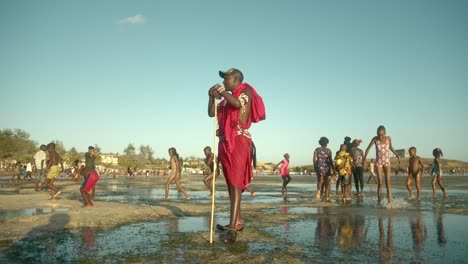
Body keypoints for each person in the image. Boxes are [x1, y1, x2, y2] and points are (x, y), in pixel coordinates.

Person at [208, 68, 266, 243]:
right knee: (230, 184)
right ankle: (237, 221)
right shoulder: (226, 99)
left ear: (236, 79)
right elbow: (212, 113)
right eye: (224, 80)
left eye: (227, 79)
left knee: (235, 184)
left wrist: (222, 92)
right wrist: (211, 96)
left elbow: (238, 104)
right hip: (225, 142)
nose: (224, 82)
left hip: (239, 140)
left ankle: (232, 228)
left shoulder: (245, 91)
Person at [363, 125, 400, 204]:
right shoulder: (375, 139)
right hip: (379, 162)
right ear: (377, 133)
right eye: (379, 134)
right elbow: (368, 148)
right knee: (380, 183)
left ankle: (390, 201)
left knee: (388, 183)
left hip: (387, 162)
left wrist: (397, 155)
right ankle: (379, 201)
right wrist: (364, 158)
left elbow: (390, 147)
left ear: (385, 133)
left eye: (382, 135)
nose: (380, 136)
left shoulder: (388, 138)